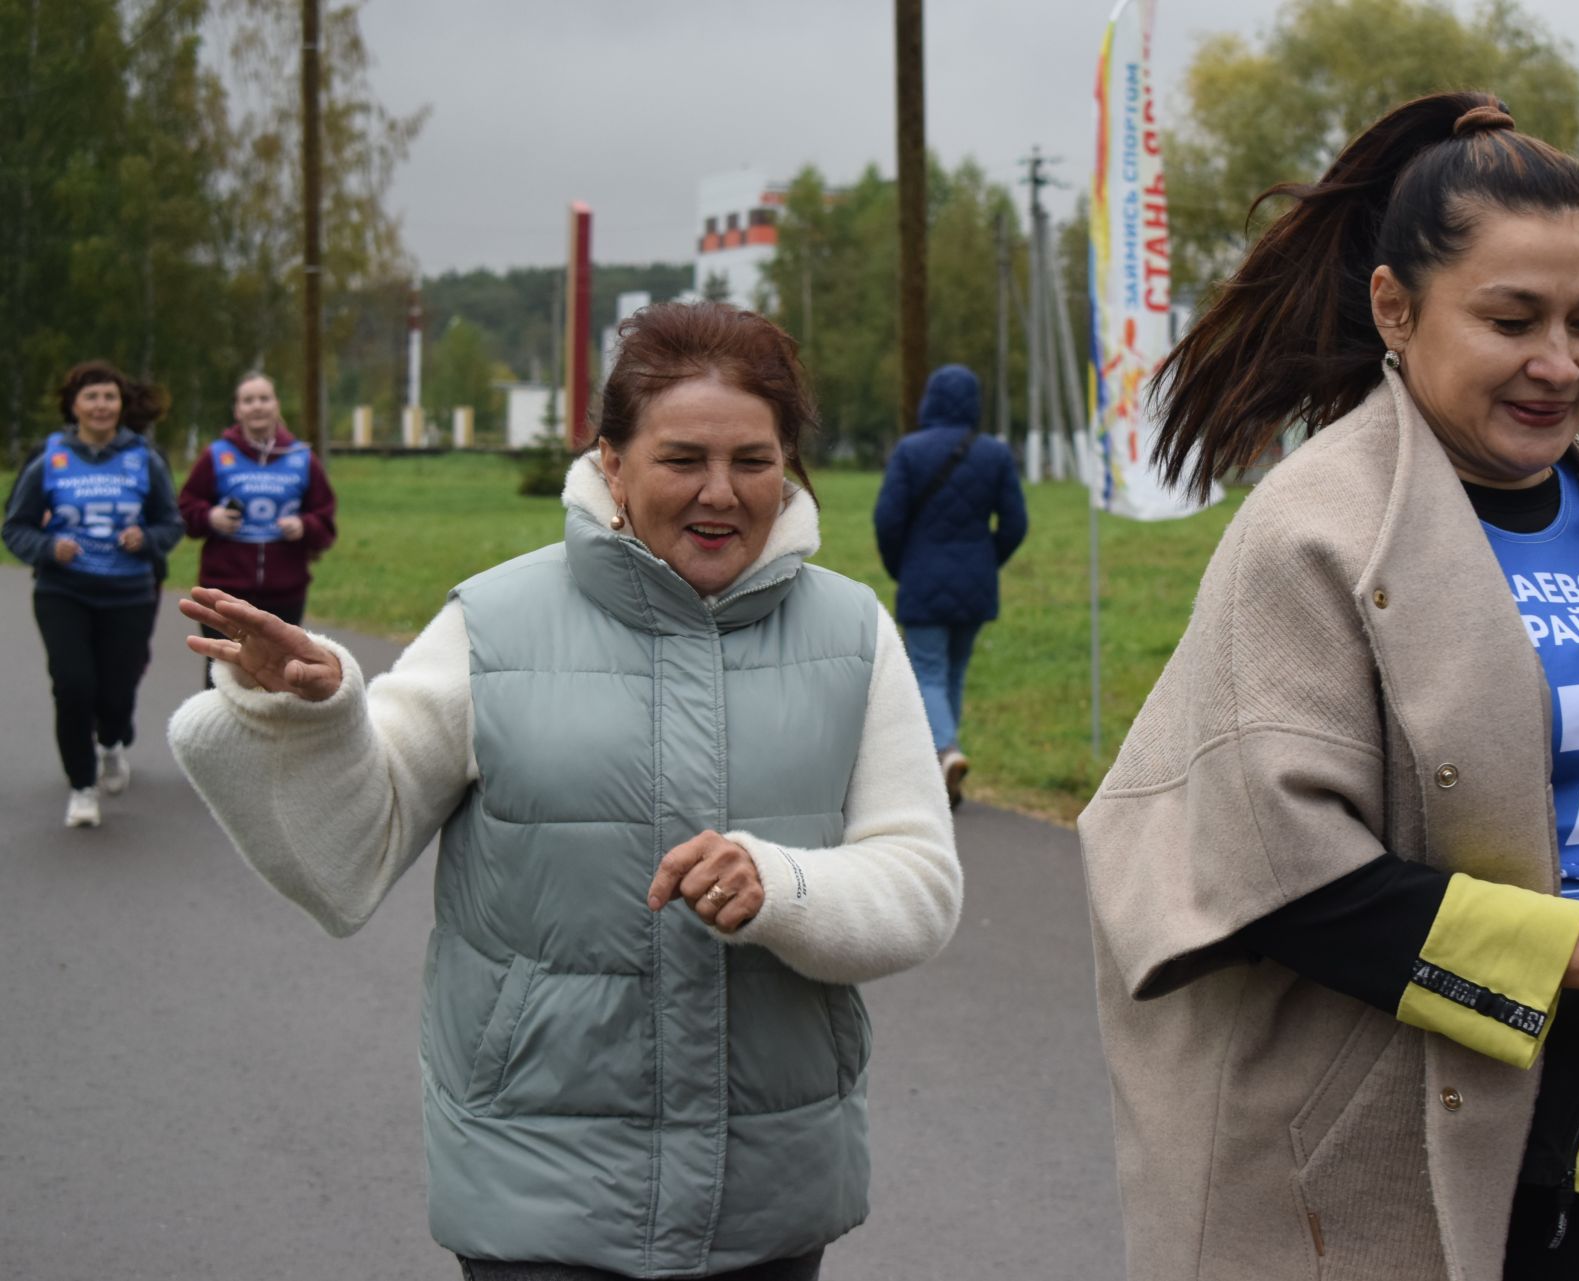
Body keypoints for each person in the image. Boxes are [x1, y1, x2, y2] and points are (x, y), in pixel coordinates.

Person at [1077, 92, 1579, 1281]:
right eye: (1511, 319)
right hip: (1394, 1164)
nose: (1558, 364)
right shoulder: (1312, 534)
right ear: (1396, 305)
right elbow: (1279, 881)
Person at [167, 301, 962, 1280]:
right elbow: (350, 849)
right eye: (682, 459)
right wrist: (313, 712)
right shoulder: (493, 624)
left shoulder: (853, 634)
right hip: (536, 1184)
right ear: (613, 463)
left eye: (753, 460)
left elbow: (921, 884)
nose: (721, 493)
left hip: (770, 1187)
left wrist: (782, 889)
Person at [4, 360, 183, 828]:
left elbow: (172, 522)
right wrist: (47, 547)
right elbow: (15, 526)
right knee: (73, 686)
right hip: (64, 592)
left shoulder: (144, 458)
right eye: (92, 397)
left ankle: (111, 744)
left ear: (121, 405)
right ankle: (82, 787)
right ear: (74, 405)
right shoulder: (51, 458)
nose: (101, 405)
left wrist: (147, 540)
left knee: (116, 692)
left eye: (109, 397)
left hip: (128, 594)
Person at [872, 364, 1028, 805]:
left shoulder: (909, 451)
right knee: (952, 673)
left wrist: (899, 566)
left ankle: (944, 751)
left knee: (928, 672)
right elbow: (1015, 523)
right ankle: (943, 762)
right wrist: (986, 561)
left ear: (931, 400)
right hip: (976, 584)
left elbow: (887, 520)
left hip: (922, 580)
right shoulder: (995, 455)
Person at [177, 371, 338, 685]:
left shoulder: (301, 458)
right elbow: (184, 508)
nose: (257, 406)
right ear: (238, 411)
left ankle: (271, 736)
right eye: (248, 400)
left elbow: (325, 519)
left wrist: (304, 526)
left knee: (277, 680)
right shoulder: (217, 455)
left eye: (264, 398)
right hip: (225, 591)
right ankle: (219, 736)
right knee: (224, 678)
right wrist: (211, 517)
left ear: (276, 405)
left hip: (284, 592)